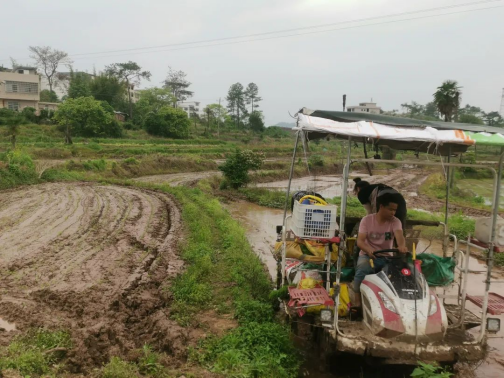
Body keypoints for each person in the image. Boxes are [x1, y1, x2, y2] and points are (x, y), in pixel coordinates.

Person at [352, 192, 408, 309]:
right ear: (381, 206)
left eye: (395, 210)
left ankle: (394, 304)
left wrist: (402, 246)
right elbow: (360, 241)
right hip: (368, 256)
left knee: (398, 276)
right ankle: (357, 301)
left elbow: (399, 236)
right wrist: (368, 250)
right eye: (390, 209)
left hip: (388, 257)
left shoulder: (395, 221)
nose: (393, 213)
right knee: (361, 270)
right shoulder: (366, 220)